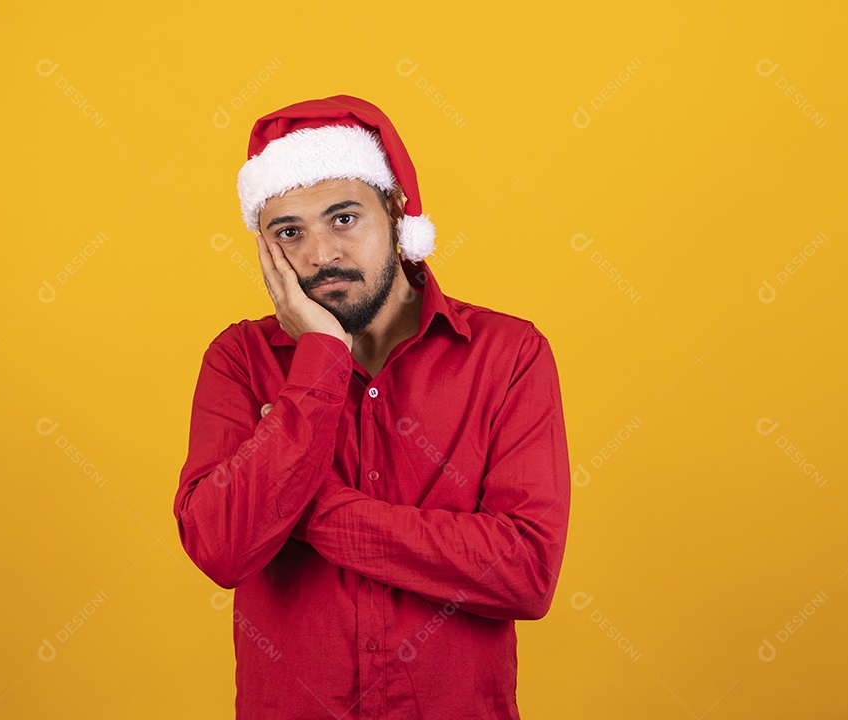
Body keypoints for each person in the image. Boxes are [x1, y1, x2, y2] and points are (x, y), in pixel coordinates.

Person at [174, 94, 571, 720]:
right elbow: (221, 547)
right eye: (289, 232)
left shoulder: (509, 354)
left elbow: (525, 572)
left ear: (394, 210)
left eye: (343, 218)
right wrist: (322, 358)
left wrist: (306, 505)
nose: (321, 254)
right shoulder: (238, 360)